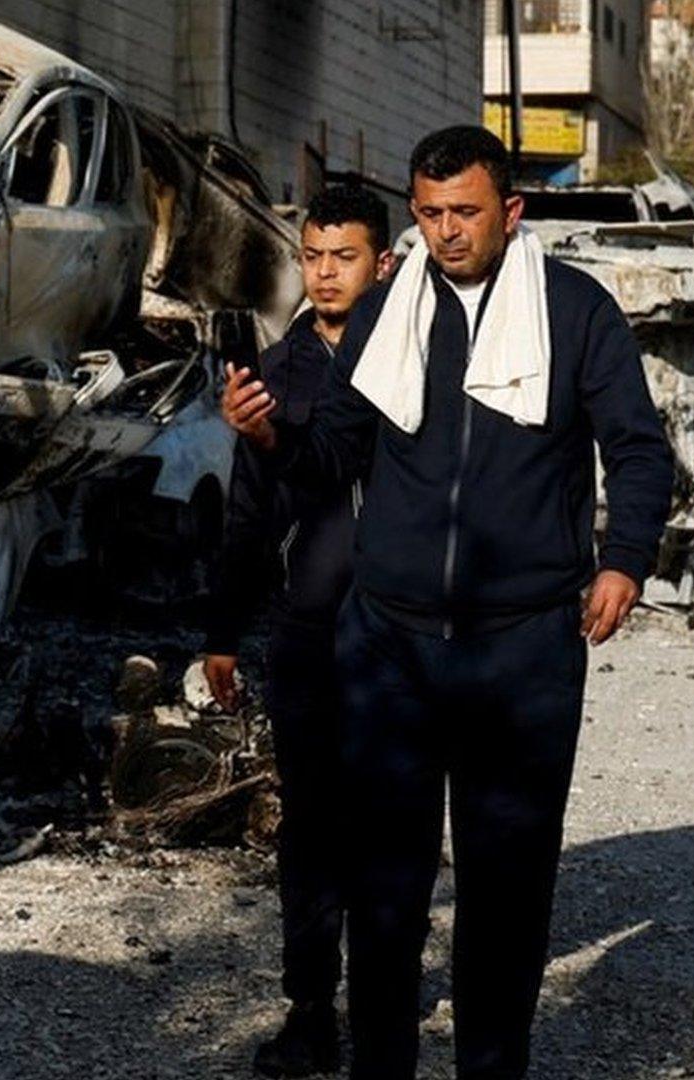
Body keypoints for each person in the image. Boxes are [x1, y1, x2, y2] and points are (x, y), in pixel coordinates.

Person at [225, 126, 675, 1078]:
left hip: (523, 651)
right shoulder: (394, 308)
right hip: (388, 647)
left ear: (511, 210)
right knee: (385, 888)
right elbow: (339, 450)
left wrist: (624, 560)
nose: (445, 232)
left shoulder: (573, 311)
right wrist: (271, 442)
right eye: (429, 214)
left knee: (507, 889)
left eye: (465, 211)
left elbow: (637, 448)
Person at [204, 185, 396, 1077]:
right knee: (313, 828)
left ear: (382, 263)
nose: (324, 274)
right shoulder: (275, 377)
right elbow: (247, 516)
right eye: (313, 257)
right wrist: (223, 631)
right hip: (309, 636)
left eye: (343, 256)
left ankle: (386, 1004)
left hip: (402, 634)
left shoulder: (415, 363)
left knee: (393, 827)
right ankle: (312, 1010)